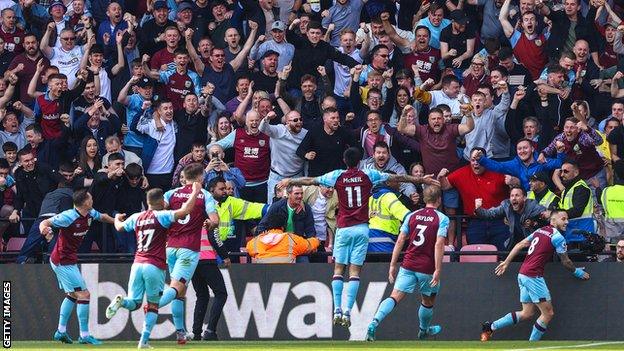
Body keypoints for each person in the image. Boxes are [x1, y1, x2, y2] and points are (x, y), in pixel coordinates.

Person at [278, 147, 439, 328]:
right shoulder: (368, 174)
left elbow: (310, 180)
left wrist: (289, 180)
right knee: (355, 272)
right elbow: (396, 178)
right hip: (362, 229)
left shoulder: (337, 175)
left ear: (345, 161)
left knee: (338, 270)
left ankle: (337, 309)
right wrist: (420, 179)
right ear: (359, 161)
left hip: (344, 229)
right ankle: (347, 312)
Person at [105, 183, 201, 349]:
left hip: (137, 264)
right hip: (154, 265)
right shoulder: (162, 216)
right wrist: (195, 192)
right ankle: (144, 341)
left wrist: (117, 220)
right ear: (161, 201)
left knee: (134, 303)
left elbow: (119, 227)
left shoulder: (137, 216)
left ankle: (121, 303)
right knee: (153, 305)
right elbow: (185, 211)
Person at [481, 210, 590, 341]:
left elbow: (520, 244)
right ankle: (532, 345)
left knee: (527, 313)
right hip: (533, 276)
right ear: (553, 220)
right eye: (563, 219)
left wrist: (507, 262)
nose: (567, 222)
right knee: (548, 313)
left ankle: (490, 326)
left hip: (522, 274)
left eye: (567, 219)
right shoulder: (557, 237)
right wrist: (577, 272)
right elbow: (566, 261)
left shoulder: (540, 230)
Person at [366, 185, 447, 341]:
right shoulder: (442, 218)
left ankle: (374, 322)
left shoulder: (412, 215)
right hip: (427, 266)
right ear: (439, 200)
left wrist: (392, 265)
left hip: (408, 263)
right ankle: (423, 331)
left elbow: (400, 240)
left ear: (424, 199)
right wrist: (437, 269)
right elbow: (439, 244)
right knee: (428, 300)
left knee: (394, 296)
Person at [39, 189, 114, 345]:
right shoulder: (68, 216)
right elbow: (45, 222)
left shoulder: (90, 212)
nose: (92, 199)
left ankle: (60, 331)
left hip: (69, 259)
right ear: (85, 202)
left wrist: (118, 222)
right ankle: (84, 335)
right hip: (61, 261)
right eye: (90, 197)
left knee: (73, 295)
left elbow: (103, 217)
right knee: (84, 295)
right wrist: (44, 230)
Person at [159, 163, 219, 343]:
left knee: (181, 291)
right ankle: (152, 305)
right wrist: (211, 223)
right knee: (176, 287)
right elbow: (215, 220)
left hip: (170, 247)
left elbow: (159, 211)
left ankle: (180, 332)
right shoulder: (205, 195)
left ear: (184, 176)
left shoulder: (171, 193)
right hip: (189, 249)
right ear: (201, 178)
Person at [255, 184, 316, 262]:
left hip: (297, 245)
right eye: (296, 193)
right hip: (278, 246)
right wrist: (266, 239)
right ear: (288, 194)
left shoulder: (306, 208)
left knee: (304, 264)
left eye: (301, 193)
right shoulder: (277, 207)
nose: (300, 196)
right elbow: (262, 226)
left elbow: (310, 229)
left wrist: (311, 244)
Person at [475, 186, 547, 251]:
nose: (514, 198)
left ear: (524, 198)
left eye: (517, 195)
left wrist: (534, 223)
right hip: (515, 245)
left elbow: (549, 220)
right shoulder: (506, 206)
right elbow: (490, 214)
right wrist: (478, 209)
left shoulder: (533, 207)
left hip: (533, 245)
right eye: (512, 196)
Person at [246, 211, 321, 263]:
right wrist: (316, 240)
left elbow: (248, 248)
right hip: (287, 277)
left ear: (267, 226)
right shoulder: (291, 238)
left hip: (264, 279)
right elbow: (309, 245)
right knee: (302, 258)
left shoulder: (255, 242)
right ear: (283, 226)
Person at [556, 160, 595, 244]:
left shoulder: (581, 188)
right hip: (572, 234)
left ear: (576, 172)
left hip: (582, 235)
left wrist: (555, 214)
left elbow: (577, 211)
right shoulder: (567, 189)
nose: (562, 175)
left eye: (566, 172)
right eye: (561, 172)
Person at [601, 160, 624, 241]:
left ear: (615, 174)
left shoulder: (606, 191)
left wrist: (597, 187)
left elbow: (600, 201)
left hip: (613, 234)